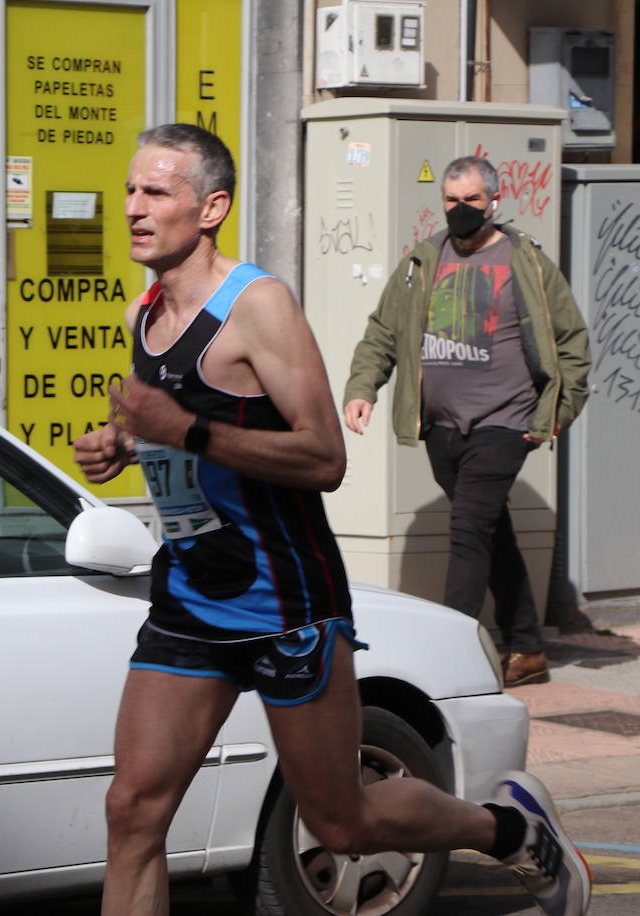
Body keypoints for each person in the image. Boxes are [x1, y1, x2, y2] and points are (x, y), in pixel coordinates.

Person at [72, 125, 590, 916]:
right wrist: (124, 438)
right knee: (132, 812)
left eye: (157, 193)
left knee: (340, 821)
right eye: (131, 191)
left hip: (285, 605)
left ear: (212, 207)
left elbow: (322, 457)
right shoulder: (146, 312)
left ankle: (505, 830)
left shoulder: (258, 306)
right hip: (192, 596)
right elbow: (175, 421)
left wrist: (185, 432)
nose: (134, 209)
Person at [343, 156, 591, 689]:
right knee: (489, 532)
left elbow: (572, 344)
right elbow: (383, 332)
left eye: (471, 201)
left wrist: (556, 413)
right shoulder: (422, 261)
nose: (460, 210)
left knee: (467, 532)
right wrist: (364, 387)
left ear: (494, 202)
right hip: (442, 427)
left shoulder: (526, 262)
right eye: (451, 201)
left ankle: (448, 659)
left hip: (507, 423)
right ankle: (527, 647)